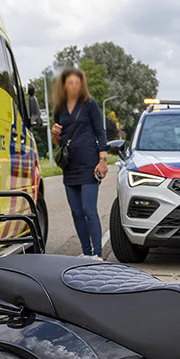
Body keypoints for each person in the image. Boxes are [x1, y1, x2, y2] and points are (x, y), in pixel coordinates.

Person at [51, 67, 109, 258]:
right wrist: (55, 135)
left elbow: (100, 132)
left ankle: (97, 254)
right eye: (70, 83)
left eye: (77, 83)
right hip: (70, 166)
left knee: (88, 209)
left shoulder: (89, 104)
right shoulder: (59, 108)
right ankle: (85, 252)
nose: (74, 86)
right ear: (64, 86)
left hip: (89, 163)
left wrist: (103, 160)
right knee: (76, 211)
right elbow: (58, 141)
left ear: (82, 85)